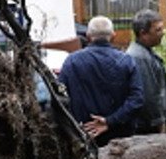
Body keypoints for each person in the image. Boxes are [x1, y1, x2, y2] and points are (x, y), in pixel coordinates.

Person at [58, 15, 144, 144]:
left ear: (88, 36)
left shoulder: (72, 61)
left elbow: (60, 98)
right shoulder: (126, 61)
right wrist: (110, 121)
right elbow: (137, 100)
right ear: (113, 35)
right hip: (120, 139)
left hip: (84, 136)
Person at [126, 9, 166, 133]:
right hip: (149, 129)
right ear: (143, 33)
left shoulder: (145, 53)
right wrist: (160, 124)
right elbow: (150, 96)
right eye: (158, 30)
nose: (163, 33)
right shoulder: (139, 57)